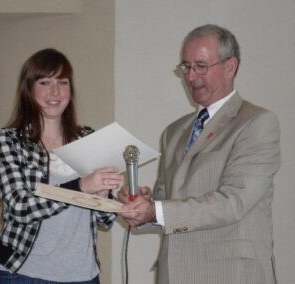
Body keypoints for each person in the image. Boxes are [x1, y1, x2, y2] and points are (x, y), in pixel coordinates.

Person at [118, 24, 280, 284]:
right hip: (174, 273)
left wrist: (156, 210)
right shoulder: (174, 132)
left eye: (201, 66)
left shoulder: (257, 123)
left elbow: (233, 202)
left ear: (230, 66)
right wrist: (140, 205)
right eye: (186, 66)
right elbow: (165, 205)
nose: (191, 76)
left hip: (231, 275)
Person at [0, 48, 123, 284]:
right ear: (28, 89)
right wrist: (81, 186)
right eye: (45, 82)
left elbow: (105, 220)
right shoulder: (8, 141)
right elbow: (20, 207)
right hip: (23, 274)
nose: (55, 91)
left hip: (83, 274)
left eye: (63, 82)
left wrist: (106, 196)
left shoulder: (88, 138)